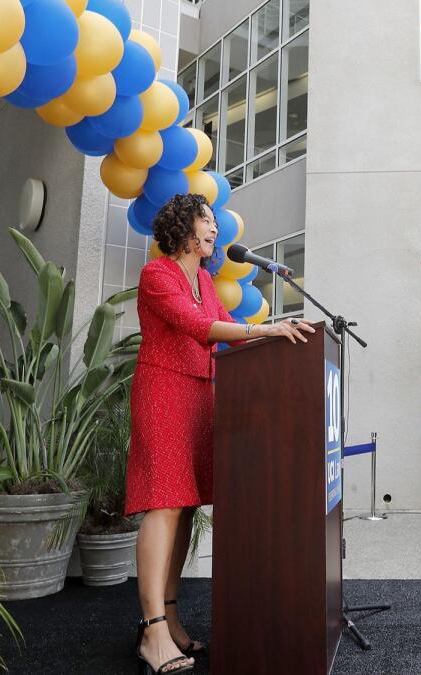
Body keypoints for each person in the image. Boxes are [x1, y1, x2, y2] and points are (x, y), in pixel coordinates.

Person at [126, 194, 314, 675]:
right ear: (184, 228)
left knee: (186, 505)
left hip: (202, 396)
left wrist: (279, 330)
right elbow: (197, 327)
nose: (215, 229)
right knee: (164, 501)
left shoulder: (206, 281)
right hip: (164, 392)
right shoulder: (158, 274)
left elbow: (230, 326)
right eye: (207, 221)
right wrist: (267, 331)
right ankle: (151, 631)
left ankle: (169, 616)